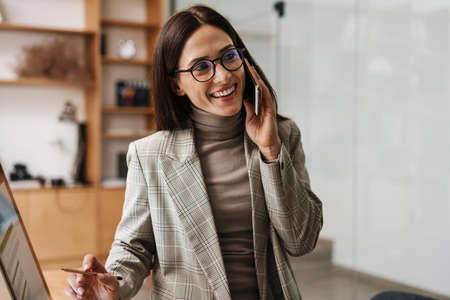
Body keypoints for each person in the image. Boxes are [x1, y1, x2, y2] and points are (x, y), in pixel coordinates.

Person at [65, 5, 323, 300]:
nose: (223, 76)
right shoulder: (149, 155)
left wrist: (270, 150)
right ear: (176, 84)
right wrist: (113, 282)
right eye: (201, 67)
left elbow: (302, 240)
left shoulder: (283, 135)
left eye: (229, 56)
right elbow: (133, 245)